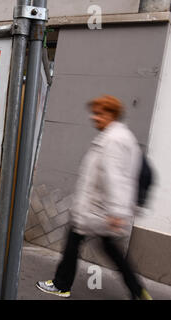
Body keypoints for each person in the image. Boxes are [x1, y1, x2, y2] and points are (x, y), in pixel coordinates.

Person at [35, 95, 152, 300]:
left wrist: (116, 211)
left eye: (100, 113)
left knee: (74, 242)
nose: (94, 117)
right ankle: (137, 290)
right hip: (101, 210)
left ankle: (62, 284)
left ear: (112, 114)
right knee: (110, 250)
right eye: (94, 113)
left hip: (98, 210)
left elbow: (114, 177)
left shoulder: (113, 140)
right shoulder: (119, 137)